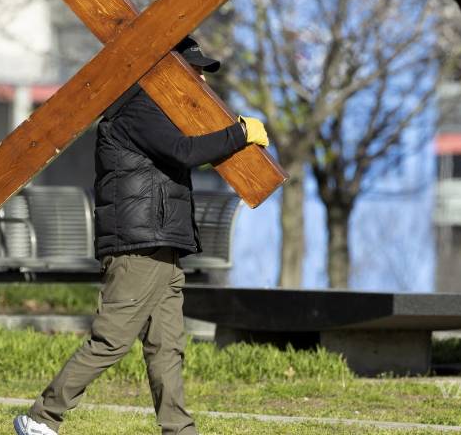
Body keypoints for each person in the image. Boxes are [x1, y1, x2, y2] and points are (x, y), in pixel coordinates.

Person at [14, 36, 270, 435]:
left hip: (162, 244)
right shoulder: (140, 108)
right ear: (168, 72)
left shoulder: (156, 111)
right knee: (112, 339)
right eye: (194, 70)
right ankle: (40, 418)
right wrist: (238, 134)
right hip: (139, 245)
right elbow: (185, 152)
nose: (201, 79)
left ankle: (179, 430)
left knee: (167, 346)